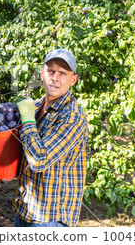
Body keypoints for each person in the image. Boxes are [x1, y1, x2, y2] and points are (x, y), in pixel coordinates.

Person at [14, 48, 89, 227]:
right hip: (25, 209)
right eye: (51, 71)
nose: (55, 78)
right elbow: (25, 151)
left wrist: (28, 121)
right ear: (42, 74)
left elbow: (39, 159)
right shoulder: (36, 106)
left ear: (73, 80)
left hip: (50, 219)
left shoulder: (72, 116)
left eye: (63, 73)